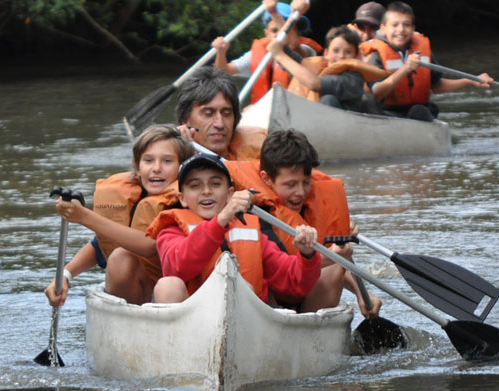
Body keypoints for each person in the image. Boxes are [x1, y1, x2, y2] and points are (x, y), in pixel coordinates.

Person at [224, 129, 381, 318]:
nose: (300, 192)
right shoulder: (254, 212)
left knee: (333, 268)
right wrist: (332, 256)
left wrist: (361, 293)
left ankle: (314, 331)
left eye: (306, 182)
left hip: (307, 296)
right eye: (290, 185)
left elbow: (334, 266)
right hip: (271, 297)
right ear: (266, 179)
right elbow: (280, 270)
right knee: (332, 263)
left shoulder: (313, 203)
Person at [44, 124, 193, 307]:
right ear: (137, 168)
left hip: (176, 293)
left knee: (122, 255)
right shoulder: (133, 198)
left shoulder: (186, 201)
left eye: (167, 161)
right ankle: (131, 323)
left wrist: (83, 216)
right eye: (148, 160)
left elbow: (149, 246)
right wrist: (65, 274)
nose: (156, 168)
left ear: (182, 167)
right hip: (142, 294)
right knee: (119, 256)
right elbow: (101, 245)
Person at [147, 153, 321, 305]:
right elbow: (178, 267)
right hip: (193, 324)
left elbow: (292, 282)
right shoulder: (170, 230)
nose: (206, 191)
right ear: (182, 198)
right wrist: (220, 220)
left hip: (244, 324)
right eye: (195, 186)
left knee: (246, 288)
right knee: (168, 286)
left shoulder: (252, 231)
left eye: (215, 184)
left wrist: (307, 255)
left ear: (230, 193)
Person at [361, 1, 493, 121]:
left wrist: (470, 81)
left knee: (419, 111)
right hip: (386, 114)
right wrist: (405, 69)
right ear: (383, 29)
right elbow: (377, 94)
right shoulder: (376, 55)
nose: (400, 30)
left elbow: (436, 85)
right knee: (366, 102)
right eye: (395, 25)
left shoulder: (423, 50)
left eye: (406, 25)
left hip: (417, 113)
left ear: (413, 28)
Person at [213, 0, 322, 103]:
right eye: (275, 31)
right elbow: (223, 72)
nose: (279, 35)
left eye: (289, 28)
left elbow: (290, 45)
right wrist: (221, 53)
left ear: (296, 32)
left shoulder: (305, 49)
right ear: (266, 33)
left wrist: (274, 13)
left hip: (297, 109)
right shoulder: (256, 54)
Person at [268, 24, 386, 111]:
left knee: (328, 99)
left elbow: (314, 83)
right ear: (326, 54)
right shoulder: (318, 68)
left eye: (348, 52)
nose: (341, 56)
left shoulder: (353, 79)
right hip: (310, 128)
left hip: (341, 133)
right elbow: (282, 47)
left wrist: (278, 55)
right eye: (335, 51)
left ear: (356, 56)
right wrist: (279, 14)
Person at [174, 66, 266, 160]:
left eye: (226, 114)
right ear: (184, 119)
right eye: (208, 114)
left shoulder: (263, 147)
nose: (220, 124)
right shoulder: (166, 159)